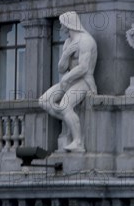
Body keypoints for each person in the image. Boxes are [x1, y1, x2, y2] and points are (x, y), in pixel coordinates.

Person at [39, 12, 97, 152]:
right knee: (44, 101)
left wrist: (67, 77)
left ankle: (78, 142)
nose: (61, 26)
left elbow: (83, 68)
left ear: (69, 23)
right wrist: (66, 55)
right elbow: (61, 68)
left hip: (84, 81)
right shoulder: (68, 42)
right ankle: (69, 121)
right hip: (69, 81)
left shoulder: (86, 40)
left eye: (62, 23)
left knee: (65, 105)